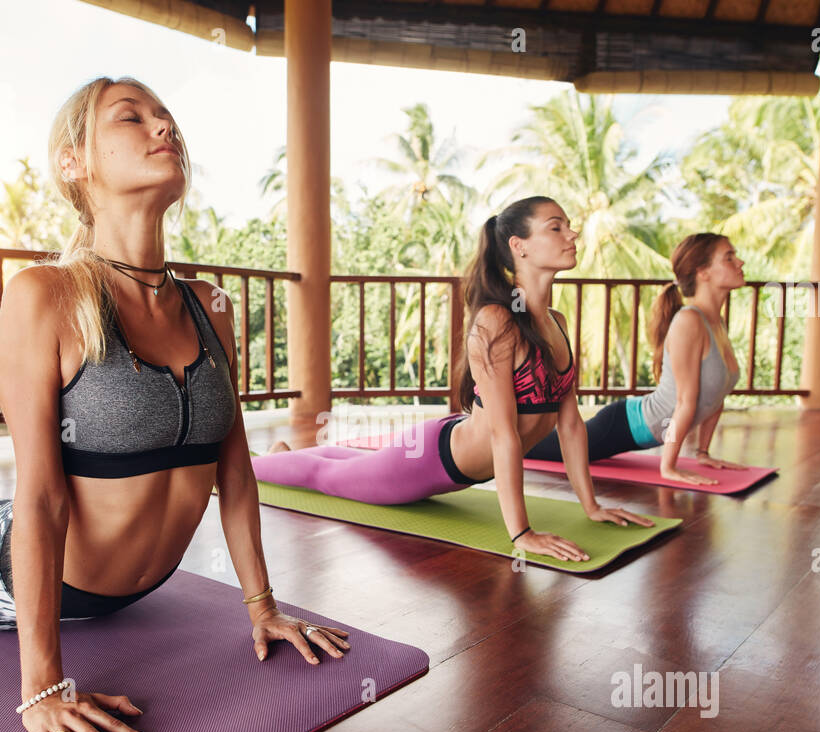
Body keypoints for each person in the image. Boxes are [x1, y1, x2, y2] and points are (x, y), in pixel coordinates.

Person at [0, 76, 349, 732]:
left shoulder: (209, 306)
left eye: (167, 118)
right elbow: (42, 496)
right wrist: (42, 687)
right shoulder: (46, 297)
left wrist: (263, 609)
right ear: (74, 161)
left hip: (134, 589)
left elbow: (235, 472)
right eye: (133, 118)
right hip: (11, 579)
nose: (164, 129)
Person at [252, 196, 652, 564]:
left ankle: (285, 453)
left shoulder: (557, 322)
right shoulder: (496, 321)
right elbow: (503, 435)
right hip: (431, 462)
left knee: (358, 464)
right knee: (327, 478)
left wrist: (592, 505)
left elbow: (569, 424)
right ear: (520, 245)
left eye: (568, 225)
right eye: (556, 227)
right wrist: (522, 533)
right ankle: (258, 465)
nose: (572, 234)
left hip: (448, 441)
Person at [524, 233, 747, 486]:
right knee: (531, 447)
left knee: (537, 442)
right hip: (625, 425)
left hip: (645, 424)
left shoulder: (716, 323)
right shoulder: (689, 321)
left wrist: (703, 453)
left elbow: (716, 396)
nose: (740, 263)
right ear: (703, 272)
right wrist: (669, 466)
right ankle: (476, 428)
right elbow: (684, 402)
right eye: (729, 257)